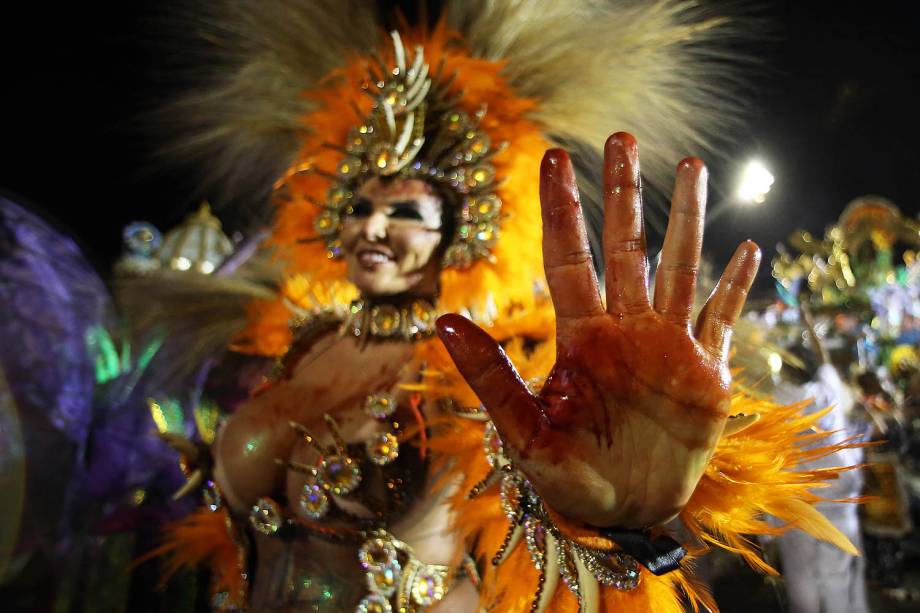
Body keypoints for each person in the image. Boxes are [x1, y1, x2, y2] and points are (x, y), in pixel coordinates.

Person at [132, 2, 864, 611]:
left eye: (407, 209)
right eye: (358, 201)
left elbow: (547, 524)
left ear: (464, 223)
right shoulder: (297, 342)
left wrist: (622, 523)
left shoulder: (490, 362)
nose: (373, 226)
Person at [770, 303, 869, 613]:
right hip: (838, 495)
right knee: (838, 575)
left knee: (802, 576)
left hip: (800, 502)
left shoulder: (777, 401)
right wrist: (809, 323)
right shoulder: (829, 390)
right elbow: (823, 357)